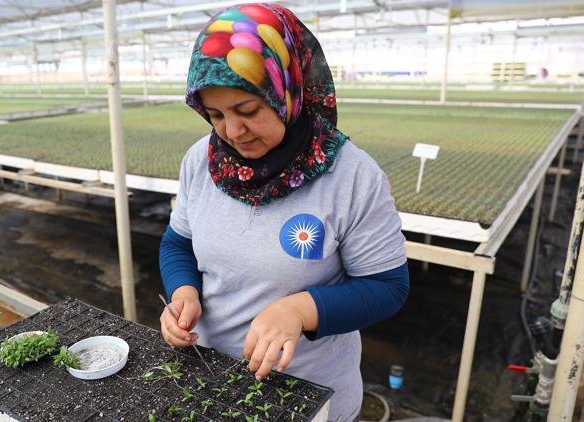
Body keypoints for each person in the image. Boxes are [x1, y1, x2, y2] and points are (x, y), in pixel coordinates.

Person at [159, 4, 409, 420]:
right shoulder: (200, 161)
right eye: (215, 115)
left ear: (286, 89)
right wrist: (183, 291)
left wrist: (298, 310)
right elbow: (178, 243)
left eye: (248, 110)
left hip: (307, 391)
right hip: (209, 375)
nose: (231, 132)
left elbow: (387, 286)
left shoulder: (351, 175)